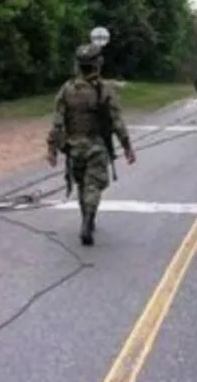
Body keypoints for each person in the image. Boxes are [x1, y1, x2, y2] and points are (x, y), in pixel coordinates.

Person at [46, 42, 136, 246]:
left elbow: (57, 122)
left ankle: (86, 218)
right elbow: (116, 121)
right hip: (96, 145)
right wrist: (127, 147)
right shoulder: (105, 90)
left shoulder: (67, 89)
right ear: (97, 65)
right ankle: (88, 220)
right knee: (93, 184)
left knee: (81, 183)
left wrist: (52, 149)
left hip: (73, 147)